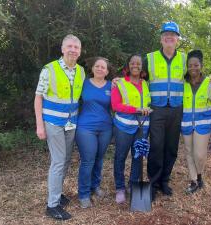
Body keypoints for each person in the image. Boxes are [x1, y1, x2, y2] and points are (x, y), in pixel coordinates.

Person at [34, 34, 85, 220]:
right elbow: (38, 97)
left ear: (79, 52)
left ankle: (57, 193)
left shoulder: (80, 71)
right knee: (58, 161)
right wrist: (40, 124)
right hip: (53, 123)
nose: (73, 50)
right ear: (63, 49)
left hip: (71, 123)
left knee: (65, 161)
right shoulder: (49, 69)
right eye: (69, 46)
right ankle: (52, 205)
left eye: (76, 47)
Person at [144, 21, 186, 199]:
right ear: (161, 39)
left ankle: (164, 181)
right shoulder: (150, 58)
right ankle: (153, 184)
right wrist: (118, 81)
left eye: (173, 34)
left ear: (177, 39)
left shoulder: (185, 58)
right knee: (156, 147)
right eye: (166, 34)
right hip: (157, 109)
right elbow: (136, 77)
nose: (169, 37)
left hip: (176, 109)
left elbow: (195, 78)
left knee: (171, 147)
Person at [111, 54, 151, 204]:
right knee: (120, 157)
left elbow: (150, 103)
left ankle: (133, 184)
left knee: (138, 157)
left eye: (138, 63)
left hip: (142, 128)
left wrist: (147, 110)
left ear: (142, 67)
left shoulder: (146, 84)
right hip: (123, 127)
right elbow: (116, 106)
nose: (135, 65)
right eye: (132, 63)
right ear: (128, 66)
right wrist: (137, 109)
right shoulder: (119, 83)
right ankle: (120, 188)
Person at [75, 57, 113, 208]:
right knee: (88, 160)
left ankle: (95, 186)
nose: (100, 69)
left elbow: (120, 103)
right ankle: (83, 194)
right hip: (85, 127)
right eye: (97, 66)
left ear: (107, 71)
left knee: (99, 158)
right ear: (92, 68)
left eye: (103, 67)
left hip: (105, 127)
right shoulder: (83, 83)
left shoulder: (112, 86)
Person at [181, 50, 211, 194]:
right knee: (189, 152)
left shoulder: (210, 82)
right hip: (186, 123)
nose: (193, 68)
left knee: (199, 155)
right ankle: (194, 180)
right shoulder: (183, 83)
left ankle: (200, 175)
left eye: (196, 65)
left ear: (201, 65)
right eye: (190, 65)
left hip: (203, 123)